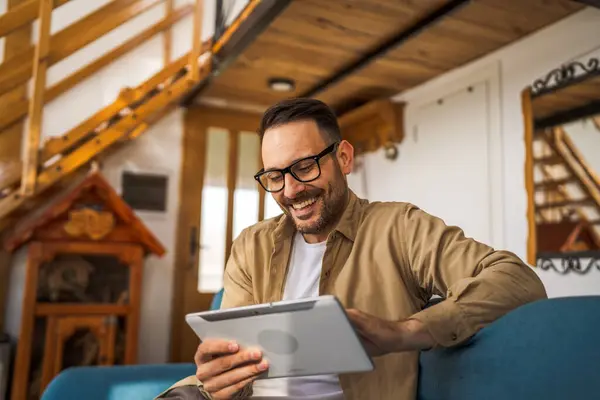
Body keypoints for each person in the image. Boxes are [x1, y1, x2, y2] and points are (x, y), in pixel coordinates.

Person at [158, 98, 547, 400]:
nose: (291, 191)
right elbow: (232, 364)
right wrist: (219, 380)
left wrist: (406, 331)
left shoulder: (399, 227)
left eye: (305, 167)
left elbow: (517, 280)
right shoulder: (251, 246)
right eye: (275, 177)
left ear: (343, 158)